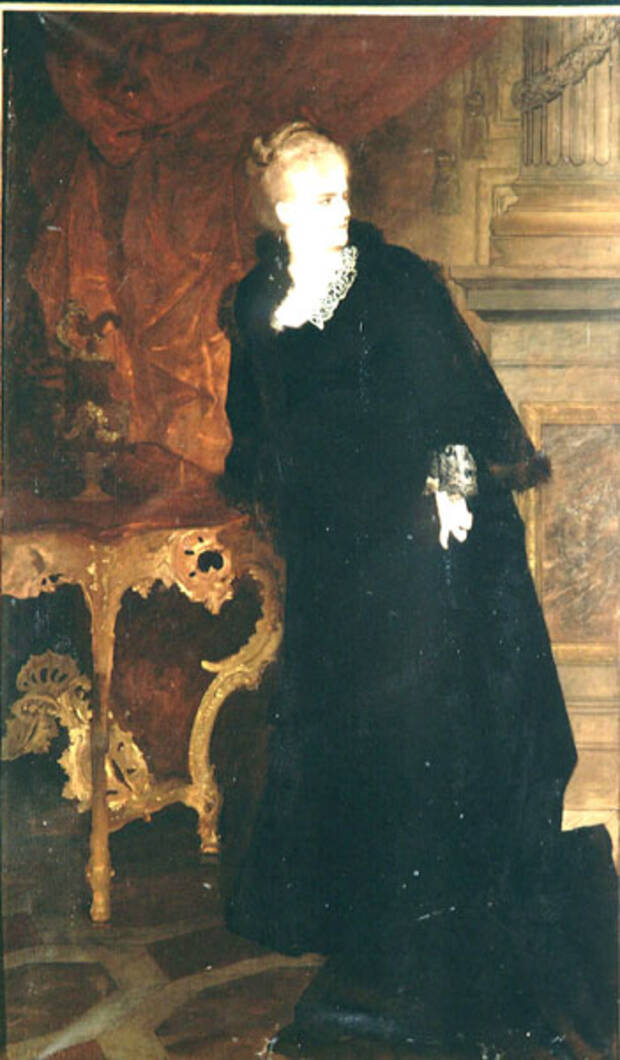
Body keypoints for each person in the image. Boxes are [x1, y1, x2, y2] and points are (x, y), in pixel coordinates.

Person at [218, 121, 617, 1057]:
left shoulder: (394, 282)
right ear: (279, 213)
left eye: (345, 193)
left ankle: (447, 935)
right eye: (323, 198)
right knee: (354, 729)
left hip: (424, 538)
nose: (344, 210)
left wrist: (450, 487)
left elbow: (448, 397)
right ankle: (380, 937)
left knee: (434, 728)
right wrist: (294, 503)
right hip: (335, 552)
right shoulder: (256, 302)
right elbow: (258, 424)